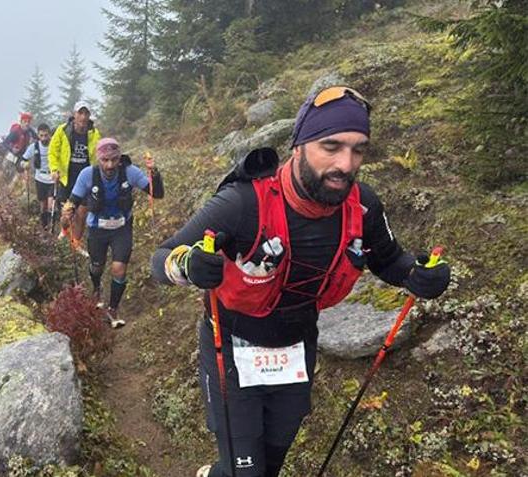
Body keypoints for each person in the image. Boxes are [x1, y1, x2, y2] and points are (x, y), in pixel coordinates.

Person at [150, 86, 451, 477]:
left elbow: (390, 260)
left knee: (271, 465)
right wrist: (187, 265)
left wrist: (419, 276)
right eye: (331, 146)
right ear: (299, 145)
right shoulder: (243, 203)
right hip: (233, 351)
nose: (346, 163)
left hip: (295, 353)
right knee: (246, 472)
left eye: (358, 149)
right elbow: (161, 259)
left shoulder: (363, 205)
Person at [63, 138, 164, 328]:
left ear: (119, 159)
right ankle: (96, 288)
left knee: (119, 268)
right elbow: (73, 200)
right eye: (105, 160)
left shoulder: (130, 172)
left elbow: (156, 193)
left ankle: (113, 308)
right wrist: (68, 210)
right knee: (97, 266)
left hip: (122, 228)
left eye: (114, 160)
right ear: (98, 159)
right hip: (97, 228)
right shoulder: (87, 175)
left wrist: (154, 173)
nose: (109, 165)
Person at [49, 101, 101, 242]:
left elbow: (99, 155)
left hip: (86, 179)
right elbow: (53, 152)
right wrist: (54, 169)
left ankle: (76, 242)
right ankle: (64, 230)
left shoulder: (94, 133)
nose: (83, 117)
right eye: (80, 113)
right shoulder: (63, 130)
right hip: (67, 177)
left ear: (89, 115)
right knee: (66, 213)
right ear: (74, 114)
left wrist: (98, 174)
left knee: (81, 213)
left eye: (86, 113)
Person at [21, 123, 58, 228]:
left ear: (49, 135)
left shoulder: (54, 145)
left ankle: (53, 228)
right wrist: (25, 167)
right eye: (41, 135)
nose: (44, 138)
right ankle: (44, 227)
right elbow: (23, 160)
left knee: (52, 205)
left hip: (52, 178)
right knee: (43, 205)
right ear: (38, 135)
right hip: (40, 178)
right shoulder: (34, 147)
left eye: (46, 135)